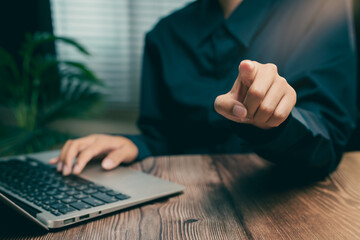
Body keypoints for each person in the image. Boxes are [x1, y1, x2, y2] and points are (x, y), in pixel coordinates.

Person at [50, 0, 357, 179]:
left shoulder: (319, 10)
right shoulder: (164, 35)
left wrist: (279, 122)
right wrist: (135, 145)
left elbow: (328, 138)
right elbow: (164, 138)